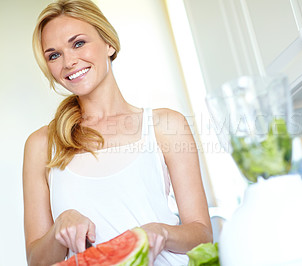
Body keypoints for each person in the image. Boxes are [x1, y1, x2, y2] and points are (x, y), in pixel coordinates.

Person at [23, 0, 213, 265]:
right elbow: (35, 260)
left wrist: (162, 232)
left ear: (109, 44)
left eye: (78, 43)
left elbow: (202, 233)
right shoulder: (42, 144)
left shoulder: (165, 125)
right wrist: (58, 231)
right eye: (54, 55)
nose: (69, 61)